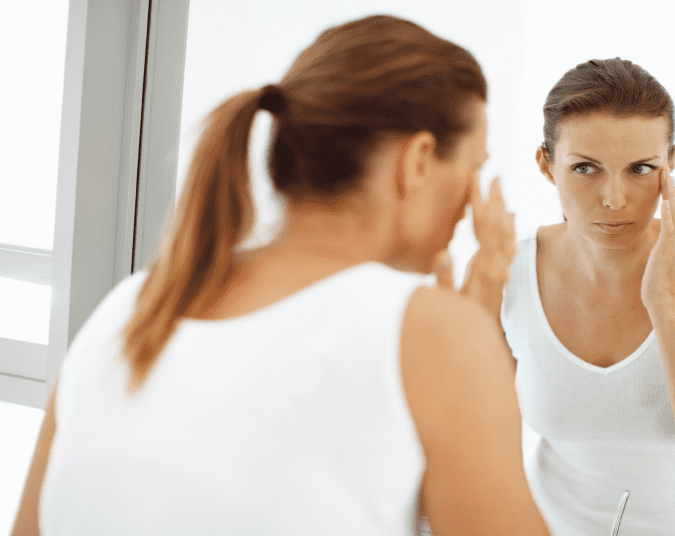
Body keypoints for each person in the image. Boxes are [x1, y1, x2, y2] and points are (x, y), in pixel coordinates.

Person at [12, 15, 549, 536]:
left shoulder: (134, 304)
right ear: (418, 161)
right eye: (475, 166)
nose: (473, 202)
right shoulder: (430, 332)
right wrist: (474, 336)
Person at [500, 58, 675, 535]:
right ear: (546, 165)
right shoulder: (507, 271)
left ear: (670, 165)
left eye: (641, 169)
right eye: (585, 167)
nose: (613, 198)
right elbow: (479, 445)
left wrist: (666, 303)